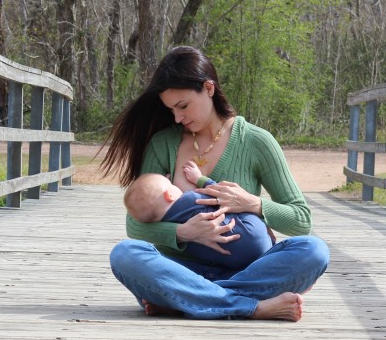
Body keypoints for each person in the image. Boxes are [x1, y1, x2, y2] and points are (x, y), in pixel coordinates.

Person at [101, 45, 329, 321]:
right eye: (171, 109)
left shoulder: (255, 141)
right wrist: (185, 233)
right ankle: (252, 307)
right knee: (125, 255)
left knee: (314, 251)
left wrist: (253, 204)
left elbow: (301, 220)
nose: (177, 117)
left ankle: (185, 300)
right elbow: (135, 225)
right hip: (179, 270)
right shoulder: (164, 145)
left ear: (208, 89)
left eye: (183, 106)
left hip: (248, 272)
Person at [123, 159, 273, 271]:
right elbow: (220, 195)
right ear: (170, 195)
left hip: (234, 262)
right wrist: (200, 179)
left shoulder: (169, 229)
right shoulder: (190, 199)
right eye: (171, 185)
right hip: (252, 233)